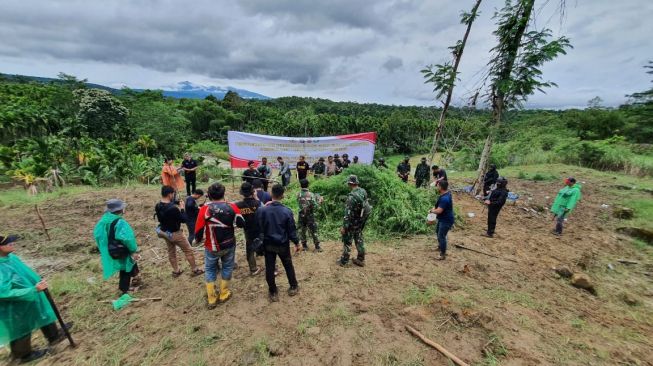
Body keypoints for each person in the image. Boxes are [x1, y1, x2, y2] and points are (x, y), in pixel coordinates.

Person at [0, 234, 71, 363]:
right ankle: (23, 355)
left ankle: (54, 335)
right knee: (20, 327)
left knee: (42, 313)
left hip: (32, 294)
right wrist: (32, 290)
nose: (12, 243)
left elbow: (24, 272)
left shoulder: (11, 257)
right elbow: (3, 292)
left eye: (11, 241)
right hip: (14, 305)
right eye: (8, 243)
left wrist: (37, 281)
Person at [195, 182, 245, 308]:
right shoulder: (232, 206)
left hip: (211, 246)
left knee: (210, 269)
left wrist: (198, 240)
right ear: (224, 193)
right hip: (229, 244)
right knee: (227, 267)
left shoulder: (204, 209)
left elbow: (198, 231)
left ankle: (211, 298)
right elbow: (241, 223)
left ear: (209, 195)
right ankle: (224, 293)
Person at [256, 184, 300, 302]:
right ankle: (293, 286)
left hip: (268, 244)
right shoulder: (286, 211)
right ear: (283, 196)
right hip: (282, 244)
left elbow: (259, 228)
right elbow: (291, 231)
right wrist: (296, 243)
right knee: (288, 265)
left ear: (271, 194)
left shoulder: (262, 210)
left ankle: (273, 291)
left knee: (270, 268)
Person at [94, 199, 141, 294]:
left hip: (111, 248)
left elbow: (98, 234)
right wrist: (133, 250)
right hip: (121, 248)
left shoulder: (104, 220)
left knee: (130, 263)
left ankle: (136, 278)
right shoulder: (120, 222)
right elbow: (127, 239)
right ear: (120, 210)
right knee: (126, 267)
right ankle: (124, 289)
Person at [155, 186, 203, 278]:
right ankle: (195, 270)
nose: (173, 195)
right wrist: (181, 208)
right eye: (173, 194)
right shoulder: (173, 209)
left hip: (165, 232)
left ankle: (176, 271)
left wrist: (177, 202)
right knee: (188, 250)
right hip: (176, 234)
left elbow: (169, 205)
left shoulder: (158, 205)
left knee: (171, 252)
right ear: (169, 194)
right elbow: (184, 219)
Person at [337, 175, 368, 267]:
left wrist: (344, 227)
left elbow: (348, 215)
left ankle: (344, 261)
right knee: (359, 239)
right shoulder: (363, 191)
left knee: (347, 241)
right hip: (360, 221)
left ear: (350, 183)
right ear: (357, 183)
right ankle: (361, 259)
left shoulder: (351, 197)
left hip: (351, 223)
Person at [235, 182, 264, 276]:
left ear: (242, 193)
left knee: (250, 249)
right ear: (253, 192)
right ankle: (273, 266)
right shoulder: (258, 203)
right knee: (266, 246)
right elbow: (265, 210)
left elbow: (237, 220)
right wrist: (256, 198)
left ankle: (253, 268)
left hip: (247, 230)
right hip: (260, 229)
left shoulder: (237, 205)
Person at [430, 180, 454, 260]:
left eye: (437, 186)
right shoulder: (445, 194)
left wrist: (431, 211)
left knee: (441, 236)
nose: (437, 187)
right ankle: (440, 247)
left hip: (446, 220)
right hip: (442, 218)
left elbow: (439, 211)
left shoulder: (445, 198)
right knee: (438, 232)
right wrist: (435, 208)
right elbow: (439, 207)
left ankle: (442, 254)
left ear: (440, 187)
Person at [297, 179, 323, 252]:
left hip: (301, 215)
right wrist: (320, 201)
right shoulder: (311, 194)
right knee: (313, 230)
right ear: (308, 185)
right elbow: (315, 206)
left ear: (300, 185)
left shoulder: (298, 194)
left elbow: (300, 204)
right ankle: (317, 247)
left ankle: (304, 246)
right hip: (310, 215)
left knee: (302, 230)